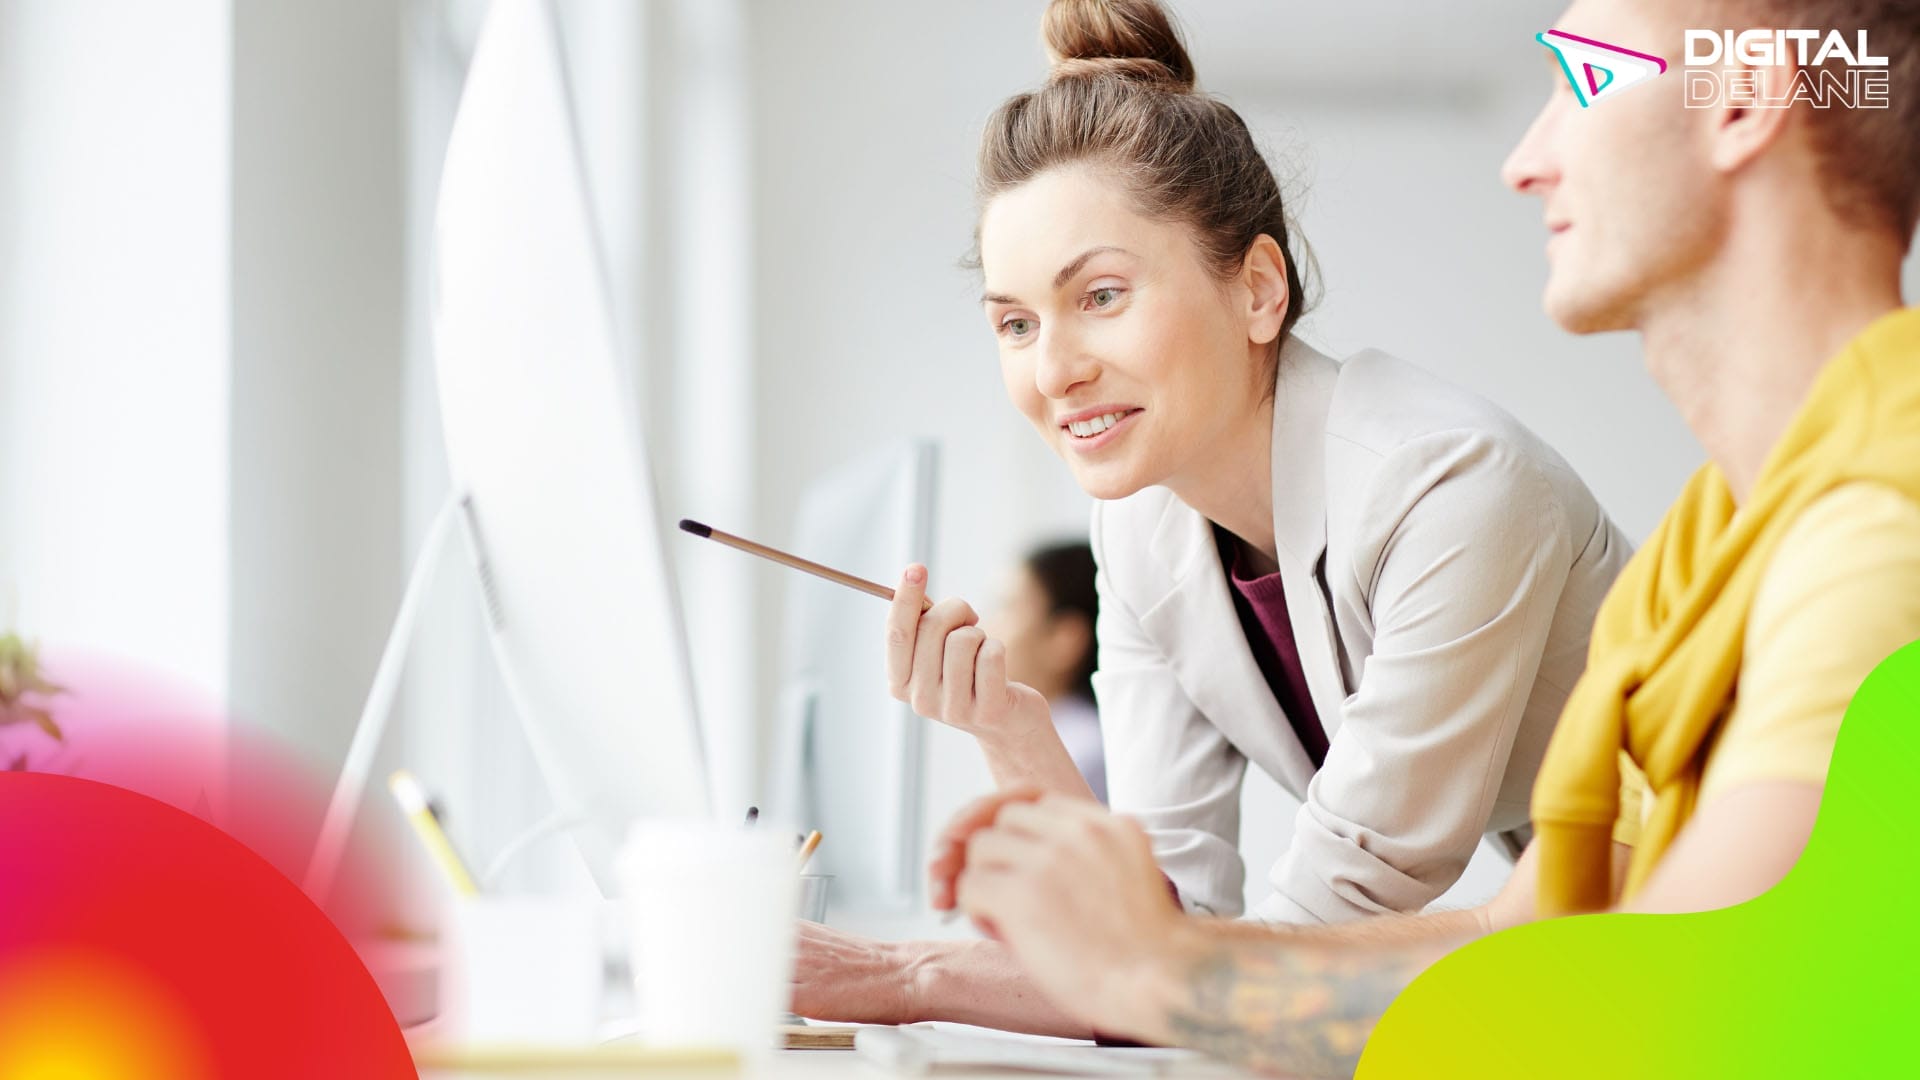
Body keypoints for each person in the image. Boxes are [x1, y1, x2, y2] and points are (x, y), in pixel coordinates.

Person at [934, 0, 1920, 1073]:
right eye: (1014, 321)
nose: (1525, 161)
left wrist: (1162, 976)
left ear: (1742, 99)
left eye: (1587, 78)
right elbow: (1530, 940)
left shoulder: (1880, 528)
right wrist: (1132, 962)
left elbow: (1671, 997)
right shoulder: (1700, 555)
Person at [791, 0, 1633, 1032]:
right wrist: (1014, 732)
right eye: (1014, 322)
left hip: (1726, 917)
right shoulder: (1144, 530)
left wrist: (909, 975)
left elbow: (1302, 939)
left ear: (1259, 291)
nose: (1052, 370)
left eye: (1102, 295)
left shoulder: (1449, 488)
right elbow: (1164, 928)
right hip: (1591, 942)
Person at [982, 541, 1107, 803]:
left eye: (1008, 608)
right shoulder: (1068, 740)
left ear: (1064, 639)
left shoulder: (1083, 755)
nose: (986, 626)